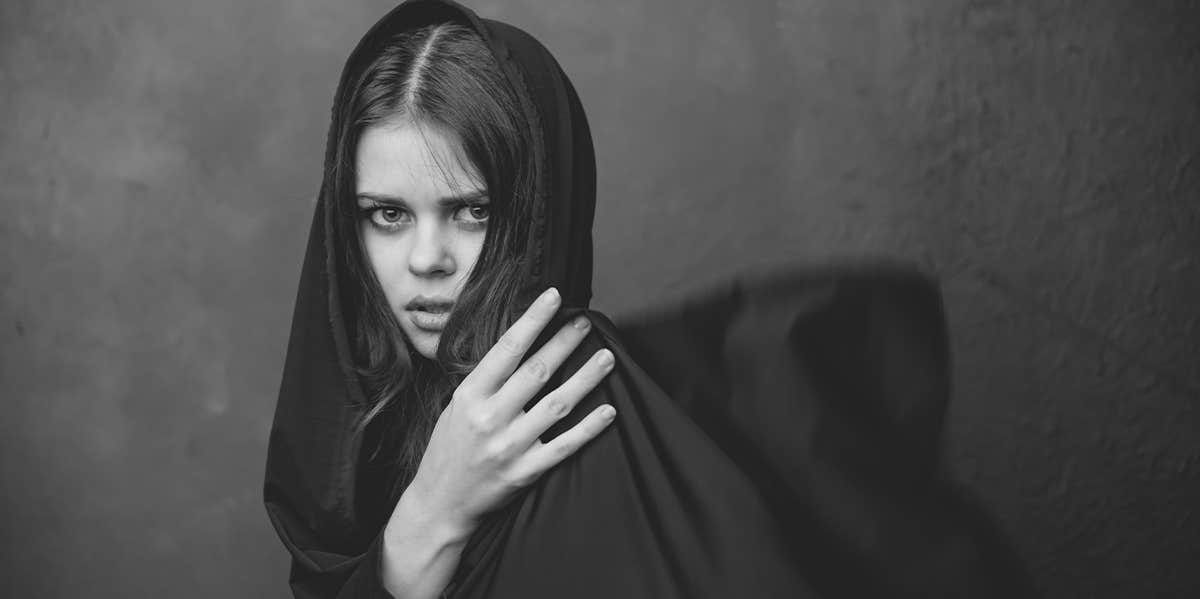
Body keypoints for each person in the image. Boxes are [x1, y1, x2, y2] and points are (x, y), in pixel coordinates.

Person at [264, 1, 1037, 597]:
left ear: (539, 213)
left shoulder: (590, 433)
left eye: (473, 210)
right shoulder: (368, 429)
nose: (426, 260)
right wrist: (426, 516)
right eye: (387, 214)